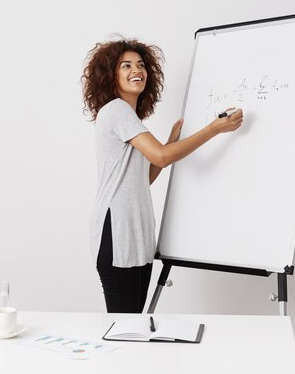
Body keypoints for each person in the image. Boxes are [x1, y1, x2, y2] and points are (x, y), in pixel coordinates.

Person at [82, 38, 243, 313]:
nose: (137, 70)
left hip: (134, 235)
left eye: (141, 65)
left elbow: (142, 179)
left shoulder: (129, 117)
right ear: (111, 75)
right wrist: (214, 129)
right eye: (126, 65)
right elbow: (161, 157)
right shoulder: (117, 110)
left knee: (132, 325)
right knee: (125, 327)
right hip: (119, 234)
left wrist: (168, 145)